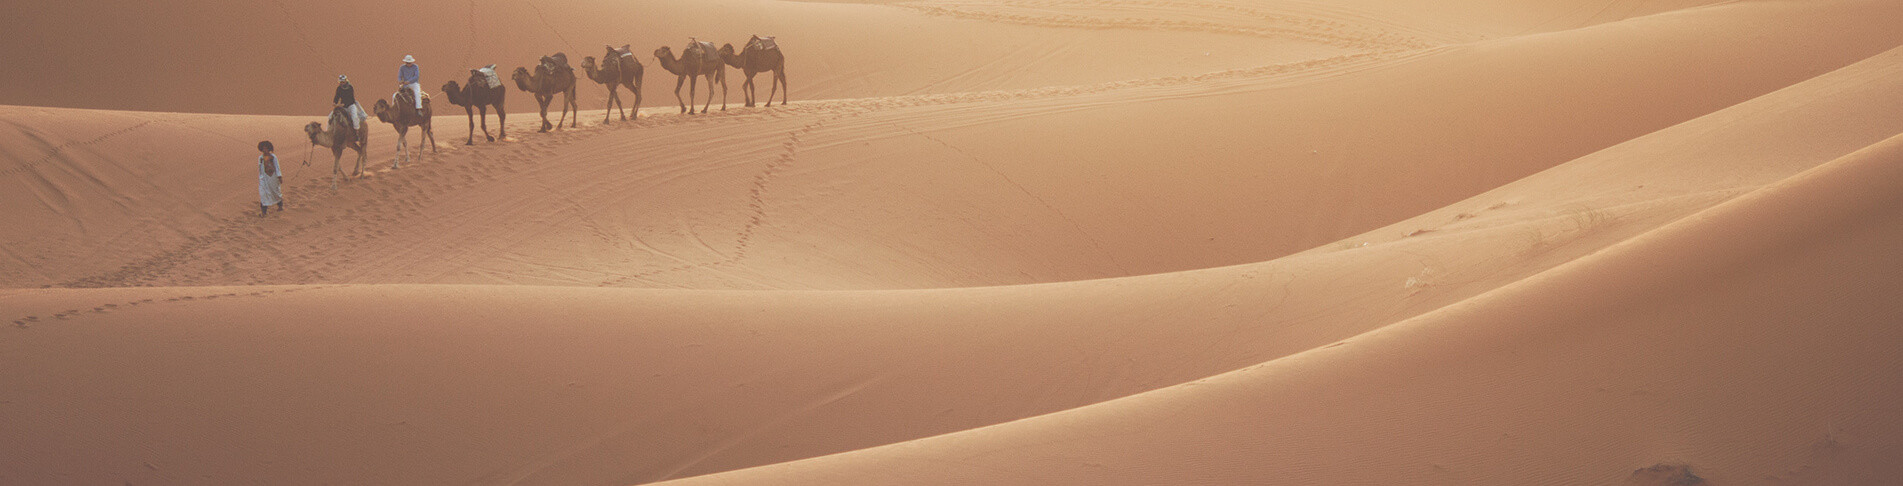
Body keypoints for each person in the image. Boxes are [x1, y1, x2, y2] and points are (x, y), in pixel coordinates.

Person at [257, 141, 284, 216]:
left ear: (269, 149)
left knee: (275, 192)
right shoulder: (260, 158)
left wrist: (279, 176)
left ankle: (280, 206)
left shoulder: (273, 157)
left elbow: (277, 167)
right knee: (263, 194)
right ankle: (264, 212)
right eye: (263, 148)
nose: (264, 150)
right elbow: (260, 168)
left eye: (266, 148)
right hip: (264, 179)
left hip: (273, 178)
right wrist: (261, 178)